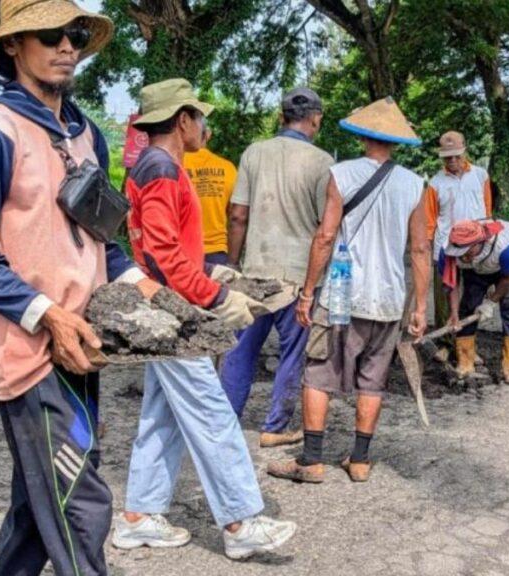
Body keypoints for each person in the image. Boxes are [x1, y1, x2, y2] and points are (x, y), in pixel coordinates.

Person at [0, 2, 160, 573]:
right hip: (32, 356)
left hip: (82, 348)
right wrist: (48, 315)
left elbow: (102, 240)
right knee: (80, 505)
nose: (67, 45)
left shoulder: (86, 134)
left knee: (39, 507)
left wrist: (143, 283)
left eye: (76, 33)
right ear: (13, 46)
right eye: (49, 34)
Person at [111, 78, 296, 560]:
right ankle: (240, 522)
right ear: (182, 121)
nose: (204, 126)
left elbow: (164, 247)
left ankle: (138, 516)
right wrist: (214, 296)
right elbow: (163, 254)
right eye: (200, 116)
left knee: (162, 414)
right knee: (212, 412)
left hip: (170, 304)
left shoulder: (160, 165)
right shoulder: (161, 168)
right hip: (174, 312)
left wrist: (213, 270)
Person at [267, 97, 429, 484]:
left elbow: (324, 236)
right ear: (396, 142)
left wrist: (307, 292)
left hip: (342, 297)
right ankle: (359, 461)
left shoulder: (342, 175)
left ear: (362, 137)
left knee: (319, 373)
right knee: (373, 379)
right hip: (388, 300)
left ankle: (311, 460)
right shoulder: (414, 184)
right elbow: (420, 248)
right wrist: (420, 306)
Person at [222, 87, 334, 448]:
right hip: (298, 274)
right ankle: (275, 426)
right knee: (292, 352)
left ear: (282, 116)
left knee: (240, 350)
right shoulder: (323, 163)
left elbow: (238, 214)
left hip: (255, 270)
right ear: (315, 118)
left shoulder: (254, 153)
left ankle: (223, 424)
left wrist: (233, 263)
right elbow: (325, 227)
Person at [424, 131, 493, 344]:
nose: (453, 160)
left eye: (456, 155)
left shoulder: (480, 175)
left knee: (472, 297)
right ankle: (445, 344)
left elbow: (488, 210)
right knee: (445, 298)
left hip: (475, 249)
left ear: (464, 151)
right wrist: (427, 251)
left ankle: (466, 344)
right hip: (446, 248)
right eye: (448, 157)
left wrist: (488, 239)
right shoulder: (436, 183)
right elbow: (429, 221)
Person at [440, 219, 509, 384]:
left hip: (505, 270)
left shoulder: (504, 246)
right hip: (475, 271)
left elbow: (508, 279)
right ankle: (465, 364)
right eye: (459, 254)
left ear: (479, 243)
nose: (463, 257)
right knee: (468, 308)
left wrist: (491, 302)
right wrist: (454, 313)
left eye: (466, 252)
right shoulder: (447, 251)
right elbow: (452, 283)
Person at [184, 126, 237, 265]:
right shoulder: (228, 168)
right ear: (207, 134)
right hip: (217, 252)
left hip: (182, 252)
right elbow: (235, 216)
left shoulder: (174, 165)